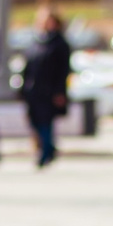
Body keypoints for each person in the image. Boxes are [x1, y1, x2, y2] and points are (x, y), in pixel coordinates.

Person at [22, 10, 75, 169]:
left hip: (50, 90)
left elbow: (63, 70)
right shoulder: (36, 41)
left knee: (46, 122)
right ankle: (49, 149)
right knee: (35, 121)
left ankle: (44, 154)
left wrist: (60, 91)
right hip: (33, 90)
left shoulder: (59, 43)